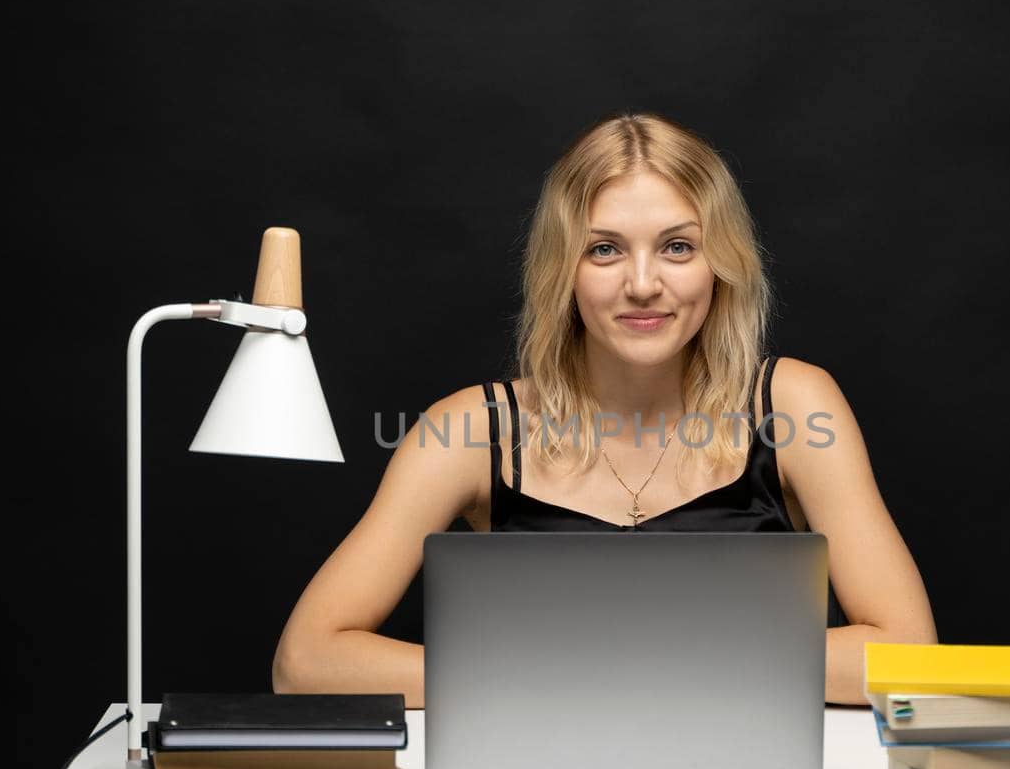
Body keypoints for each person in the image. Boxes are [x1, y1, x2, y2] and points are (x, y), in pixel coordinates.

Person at [272, 111, 937, 708]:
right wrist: (567, 676)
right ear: (563, 269)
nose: (643, 285)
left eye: (678, 247)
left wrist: (638, 666)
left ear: (720, 264)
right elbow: (304, 662)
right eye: (605, 249)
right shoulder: (467, 430)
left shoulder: (794, 403)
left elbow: (909, 658)